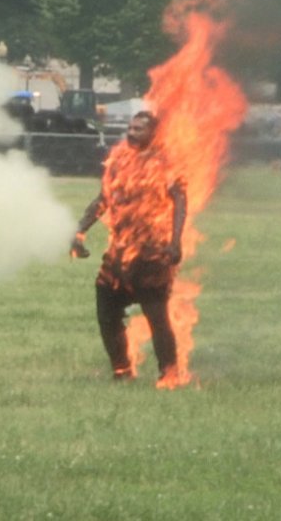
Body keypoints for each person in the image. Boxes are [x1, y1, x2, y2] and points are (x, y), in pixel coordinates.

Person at [70, 111, 187, 383]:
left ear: (153, 133)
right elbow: (103, 199)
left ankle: (169, 374)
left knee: (157, 318)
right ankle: (121, 371)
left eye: (139, 129)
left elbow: (180, 202)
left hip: (152, 253)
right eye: (130, 128)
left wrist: (175, 242)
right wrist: (80, 231)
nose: (131, 133)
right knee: (106, 312)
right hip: (119, 252)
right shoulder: (119, 160)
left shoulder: (166, 162)